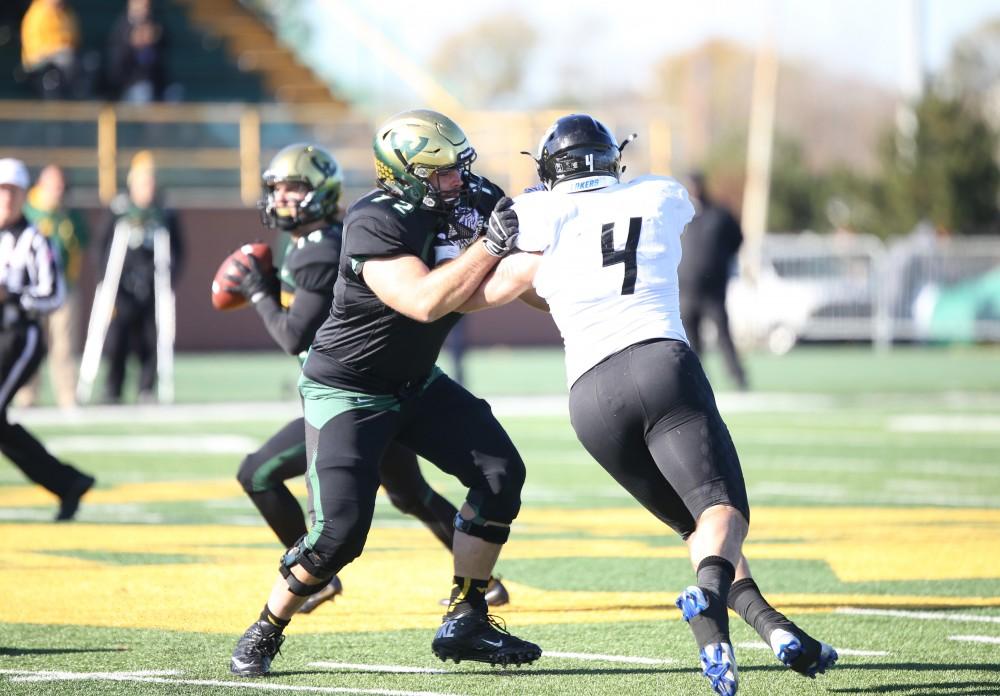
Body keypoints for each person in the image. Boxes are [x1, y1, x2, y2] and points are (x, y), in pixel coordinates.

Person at [459, 114, 837, 696]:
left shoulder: (535, 214)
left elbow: (479, 291)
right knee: (724, 514)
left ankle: (765, 633)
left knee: (699, 528)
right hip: (661, 367)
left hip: (589, 399)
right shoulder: (660, 192)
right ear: (612, 158)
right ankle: (708, 598)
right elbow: (639, 215)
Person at [229, 109, 540, 677]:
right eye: (441, 173)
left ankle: (467, 615)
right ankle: (267, 626)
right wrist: (493, 249)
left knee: (500, 474)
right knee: (338, 536)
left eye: (458, 168)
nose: (458, 182)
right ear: (404, 174)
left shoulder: (474, 199)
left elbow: (524, 285)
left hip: (416, 381)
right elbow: (423, 301)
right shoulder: (374, 219)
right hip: (348, 389)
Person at [0, 158, 94, 521]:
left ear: (24, 195)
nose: (6, 199)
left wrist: (13, 297)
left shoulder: (35, 239)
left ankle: (67, 482)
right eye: (1, 192)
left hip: (20, 336)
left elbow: (54, 294)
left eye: (12, 192)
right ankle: (67, 482)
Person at [96, 150, 182, 404]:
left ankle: (147, 388)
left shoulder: (165, 212)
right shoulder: (119, 209)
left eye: (151, 182)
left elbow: (179, 249)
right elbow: (102, 246)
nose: (147, 188)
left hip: (153, 285)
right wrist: (106, 280)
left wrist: (170, 278)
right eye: (142, 182)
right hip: (121, 286)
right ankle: (113, 388)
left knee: (151, 339)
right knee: (117, 338)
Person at [16, 164, 88, 409]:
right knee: (30, 344)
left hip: (63, 289)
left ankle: (67, 395)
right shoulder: (27, 212)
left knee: (64, 345)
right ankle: (26, 394)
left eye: (61, 186)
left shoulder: (68, 215)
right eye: (53, 185)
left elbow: (81, 244)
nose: (58, 191)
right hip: (32, 291)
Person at [678, 172, 748, 391]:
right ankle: (699, 383)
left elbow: (738, 239)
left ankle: (738, 379)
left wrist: (719, 261)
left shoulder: (718, 214)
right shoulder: (681, 215)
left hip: (713, 290)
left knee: (723, 336)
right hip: (686, 289)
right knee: (691, 341)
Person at [104, 0, 169, 102]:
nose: (144, 9)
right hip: (127, 85)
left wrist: (154, 40)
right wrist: (132, 44)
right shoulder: (121, 27)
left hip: (154, 83)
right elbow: (116, 65)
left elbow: (159, 59)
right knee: (142, 91)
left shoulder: (154, 24)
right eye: (141, 5)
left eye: (147, 6)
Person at [19, 0, 80, 99]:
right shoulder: (37, 14)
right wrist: (56, 50)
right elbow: (34, 46)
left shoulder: (67, 13)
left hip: (64, 56)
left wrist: (65, 47)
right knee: (63, 60)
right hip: (38, 59)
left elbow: (75, 37)